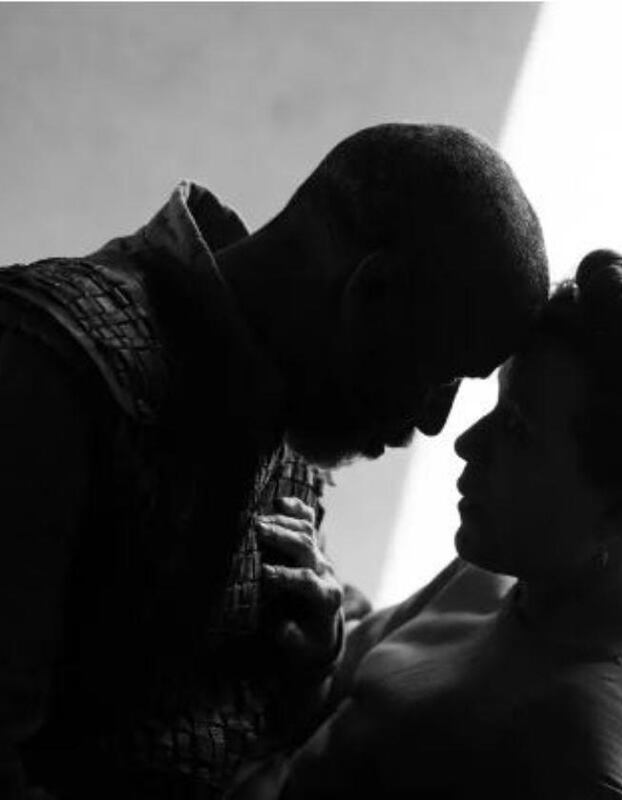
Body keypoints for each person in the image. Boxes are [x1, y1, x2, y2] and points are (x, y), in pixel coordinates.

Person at [0, 123, 549, 799]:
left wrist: (313, 656)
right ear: (369, 294)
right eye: (443, 374)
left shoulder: (285, 420)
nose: (436, 423)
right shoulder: (47, 371)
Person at [229, 249, 622, 800]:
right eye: (498, 408)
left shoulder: (581, 761)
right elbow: (354, 715)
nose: (466, 443)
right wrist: (324, 643)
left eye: (519, 430)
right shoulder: (523, 560)